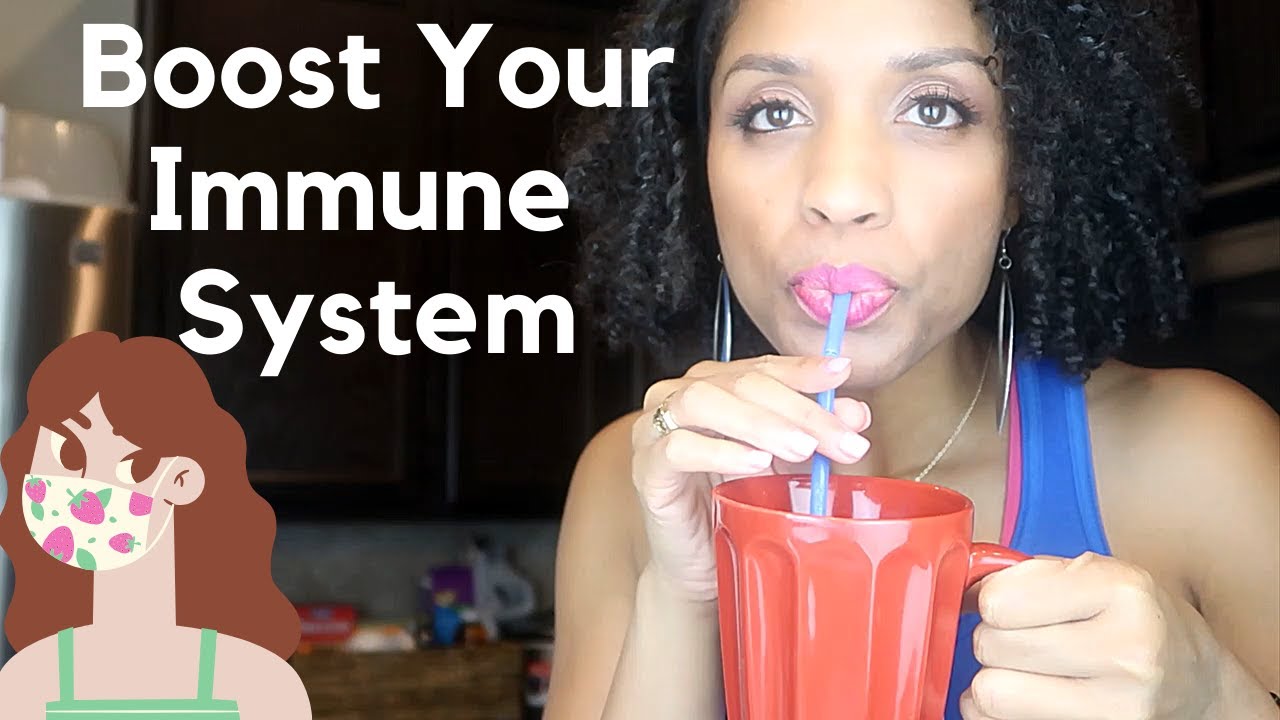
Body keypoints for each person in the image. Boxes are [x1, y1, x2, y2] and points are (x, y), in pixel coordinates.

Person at [546, 0, 1280, 718]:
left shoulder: (1201, 458)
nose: (841, 193)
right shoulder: (636, 483)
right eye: (771, 113)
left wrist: (1215, 699)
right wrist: (682, 597)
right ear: (700, 174)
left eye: (933, 109)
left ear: (1022, 175)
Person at [0, 332, 311, 718]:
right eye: (68, 453)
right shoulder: (27, 684)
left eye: (127, 461)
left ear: (181, 479)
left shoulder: (262, 687)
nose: (87, 483)